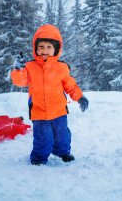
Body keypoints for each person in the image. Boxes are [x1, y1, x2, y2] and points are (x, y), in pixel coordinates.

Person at [11, 24, 89, 165]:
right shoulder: (30, 66)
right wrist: (18, 69)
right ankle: (39, 158)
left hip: (59, 110)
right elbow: (20, 82)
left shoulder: (61, 68)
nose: (45, 50)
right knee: (43, 137)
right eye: (41, 47)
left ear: (56, 49)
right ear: (36, 48)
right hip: (39, 111)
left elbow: (70, 85)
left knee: (62, 135)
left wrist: (79, 97)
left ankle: (63, 152)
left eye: (49, 47)